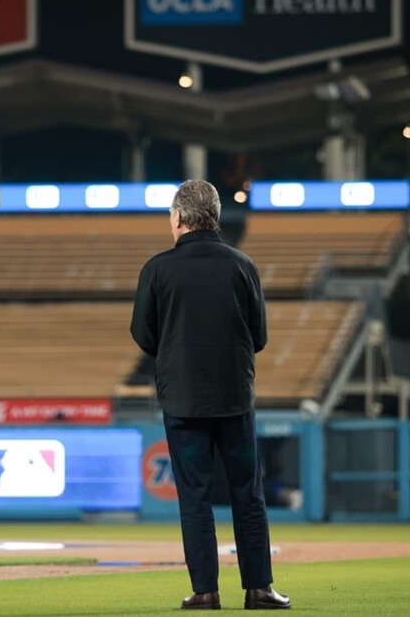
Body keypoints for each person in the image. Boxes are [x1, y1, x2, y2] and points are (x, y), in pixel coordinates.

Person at [130, 180, 290, 611]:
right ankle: (259, 589)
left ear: (179, 217)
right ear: (214, 216)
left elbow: (143, 336)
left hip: (182, 401)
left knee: (194, 498)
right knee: (247, 494)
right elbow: (259, 336)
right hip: (235, 396)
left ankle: (205, 591)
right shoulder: (243, 265)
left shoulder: (158, 269)